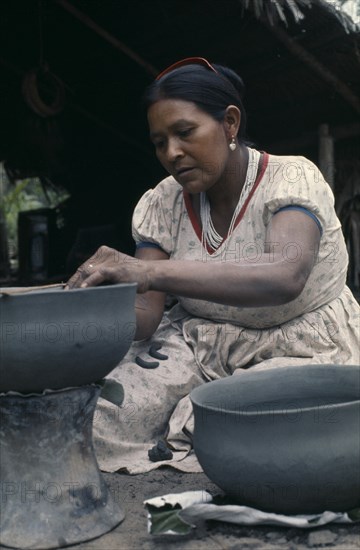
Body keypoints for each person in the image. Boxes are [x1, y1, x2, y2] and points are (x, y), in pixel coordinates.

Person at [67, 57, 360, 474]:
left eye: (185, 133)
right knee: (92, 419)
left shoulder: (290, 179)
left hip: (299, 345)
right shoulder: (163, 202)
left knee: (231, 422)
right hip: (195, 343)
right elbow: (146, 318)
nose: (172, 153)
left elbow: (284, 276)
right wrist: (79, 308)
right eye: (158, 142)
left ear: (230, 123)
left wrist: (146, 272)